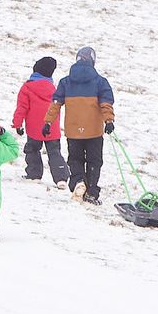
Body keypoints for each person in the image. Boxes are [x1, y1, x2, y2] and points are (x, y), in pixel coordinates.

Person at [46, 47, 115, 205]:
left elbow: (56, 103)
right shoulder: (100, 82)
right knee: (94, 161)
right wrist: (109, 121)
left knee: (75, 159)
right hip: (94, 131)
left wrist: (48, 122)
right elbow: (105, 103)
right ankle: (90, 192)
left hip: (73, 130)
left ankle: (78, 181)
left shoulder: (65, 82)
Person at [11, 56, 67, 186]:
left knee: (32, 149)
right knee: (54, 152)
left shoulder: (27, 87)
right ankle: (61, 178)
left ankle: (34, 174)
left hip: (34, 127)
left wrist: (17, 124)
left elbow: (22, 108)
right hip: (51, 127)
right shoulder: (54, 88)